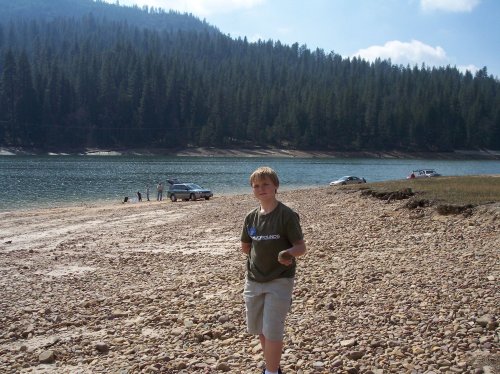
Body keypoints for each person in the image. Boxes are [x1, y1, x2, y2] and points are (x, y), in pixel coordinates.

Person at [241, 167, 307, 374]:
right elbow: (245, 247)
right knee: (260, 328)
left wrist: (287, 253)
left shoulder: (286, 215)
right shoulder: (251, 217)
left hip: (279, 280)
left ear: (276, 186)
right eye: (256, 186)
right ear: (253, 190)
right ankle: (273, 367)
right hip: (253, 280)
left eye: (265, 184)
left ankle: (270, 372)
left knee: (273, 330)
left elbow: (301, 247)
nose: (261, 189)